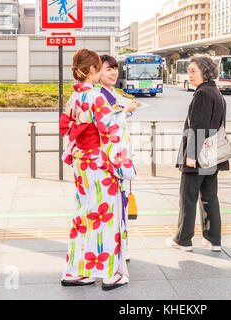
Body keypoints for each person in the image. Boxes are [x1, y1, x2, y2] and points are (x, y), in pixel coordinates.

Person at [59, 49, 137, 290]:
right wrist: (123, 166)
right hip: (100, 166)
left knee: (84, 216)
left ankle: (76, 271)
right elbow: (112, 130)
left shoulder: (75, 97)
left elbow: (73, 129)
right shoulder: (95, 97)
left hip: (82, 162)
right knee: (107, 217)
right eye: (99, 67)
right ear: (92, 70)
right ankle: (111, 274)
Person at [167, 56, 229, 252]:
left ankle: (183, 239)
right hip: (211, 152)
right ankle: (213, 239)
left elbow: (197, 127)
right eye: (190, 71)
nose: (190, 75)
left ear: (205, 71)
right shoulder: (216, 92)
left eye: (194, 71)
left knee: (188, 197)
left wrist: (191, 155)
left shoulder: (202, 94)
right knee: (209, 196)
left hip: (199, 154)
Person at [96, 54, 138, 261]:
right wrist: (125, 112)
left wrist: (126, 111)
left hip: (118, 158)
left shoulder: (112, 94)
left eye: (114, 68)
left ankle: (120, 246)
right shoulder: (98, 95)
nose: (113, 72)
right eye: (107, 69)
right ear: (96, 72)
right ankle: (111, 248)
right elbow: (105, 126)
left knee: (119, 203)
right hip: (106, 160)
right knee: (108, 206)